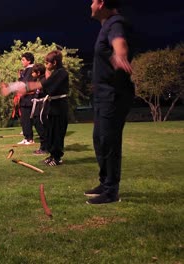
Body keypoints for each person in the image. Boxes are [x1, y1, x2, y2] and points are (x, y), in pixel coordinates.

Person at [84, 0, 135, 204]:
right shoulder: (106, 25)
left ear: (102, 3)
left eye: (93, 1)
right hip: (103, 95)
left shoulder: (115, 22)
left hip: (114, 95)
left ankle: (111, 191)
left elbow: (119, 42)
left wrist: (120, 55)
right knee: (99, 139)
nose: (90, 5)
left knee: (109, 141)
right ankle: (105, 183)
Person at [1, 50, 69, 166]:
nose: (46, 65)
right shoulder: (55, 72)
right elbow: (44, 83)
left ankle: (57, 158)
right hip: (52, 105)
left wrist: (12, 88)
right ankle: (52, 155)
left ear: (55, 62)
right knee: (51, 131)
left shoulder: (61, 73)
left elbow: (42, 84)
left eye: (48, 63)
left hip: (60, 106)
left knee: (57, 132)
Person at [16, 52, 36, 145]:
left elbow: (27, 83)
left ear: (29, 60)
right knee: (24, 118)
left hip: (29, 97)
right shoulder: (25, 70)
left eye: (23, 60)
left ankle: (30, 138)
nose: (22, 61)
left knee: (27, 118)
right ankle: (26, 137)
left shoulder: (32, 69)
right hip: (24, 97)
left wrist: (20, 79)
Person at [29, 63, 48, 155]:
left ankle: (45, 147)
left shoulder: (43, 80)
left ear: (38, 72)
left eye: (33, 72)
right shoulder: (39, 80)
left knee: (41, 125)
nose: (32, 74)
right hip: (38, 104)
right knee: (37, 124)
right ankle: (44, 146)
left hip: (42, 105)